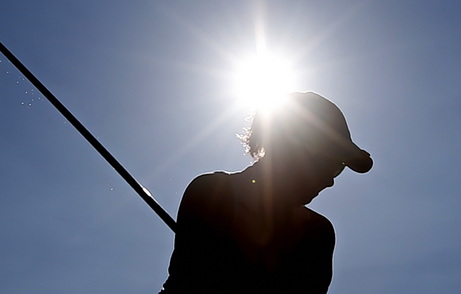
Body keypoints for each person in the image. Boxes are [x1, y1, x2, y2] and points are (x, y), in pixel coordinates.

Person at [159, 91, 372, 293]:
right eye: (326, 164)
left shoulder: (319, 233)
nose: (329, 181)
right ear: (288, 148)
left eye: (338, 168)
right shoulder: (211, 193)